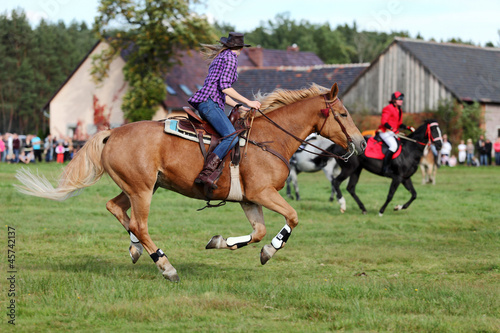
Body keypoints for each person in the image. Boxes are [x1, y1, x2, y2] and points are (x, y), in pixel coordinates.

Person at [188, 32, 261, 189]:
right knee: (231, 137)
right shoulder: (230, 58)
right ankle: (206, 173)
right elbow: (225, 87)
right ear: (241, 47)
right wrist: (249, 101)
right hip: (210, 104)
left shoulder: (221, 57)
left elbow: (221, 92)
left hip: (208, 101)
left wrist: (237, 105)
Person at [378, 91, 414, 175]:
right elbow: (384, 122)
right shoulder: (388, 108)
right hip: (385, 132)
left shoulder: (399, 110)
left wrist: (408, 128)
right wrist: (392, 129)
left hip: (392, 133)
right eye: (399, 99)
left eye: (402, 99)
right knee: (393, 146)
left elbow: (399, 124)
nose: (401, 101)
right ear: (394, 100)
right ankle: (385, 168)